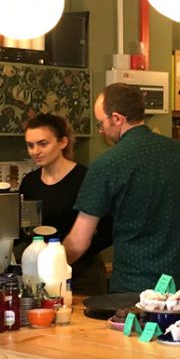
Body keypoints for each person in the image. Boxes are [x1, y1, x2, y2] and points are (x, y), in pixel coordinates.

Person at [64, 83, 180, 293]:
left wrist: (50, 266)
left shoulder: (106, 164)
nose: (102, 131)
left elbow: (79, 242)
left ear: (117, 118)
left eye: (101, 124)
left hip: (132, 288)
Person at [19, 113, 111, 295]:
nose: (35, 151)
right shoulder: (30, 183)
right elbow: (28, 230)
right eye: (30, 145)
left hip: (83, 274)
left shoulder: (85, 178)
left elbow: (107, 230)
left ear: (63, 142)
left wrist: (70, 256)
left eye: (43, 144)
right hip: (40, 274)